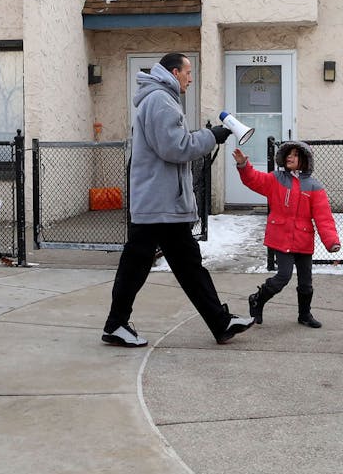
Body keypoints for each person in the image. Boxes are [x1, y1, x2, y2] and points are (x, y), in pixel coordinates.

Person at [101, 53, 253, 347]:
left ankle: (220, 323)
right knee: (146, 267)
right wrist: (212, 136)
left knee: (183, 266)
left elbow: (173, 146)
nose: (190, 78)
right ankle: (116, 324)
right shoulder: (160, 100)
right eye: (187, 72)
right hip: (159, 205)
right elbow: (175, 147)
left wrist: (209, 136)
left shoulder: (161, 98)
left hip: (161, 204)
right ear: (174, 71)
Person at [234, 141, 341, 328]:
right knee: (283, 277)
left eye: (295, 154)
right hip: (281, 238)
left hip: (303, 240)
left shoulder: (314, 187)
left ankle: (304, 315)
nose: (290, 157)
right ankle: (257, 300)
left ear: (305, 160)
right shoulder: (276, 179)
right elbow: (253, 179)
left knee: (306, 282)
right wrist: (244, 166)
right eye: (288, 154)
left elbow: (324, 217)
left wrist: (331, 241)